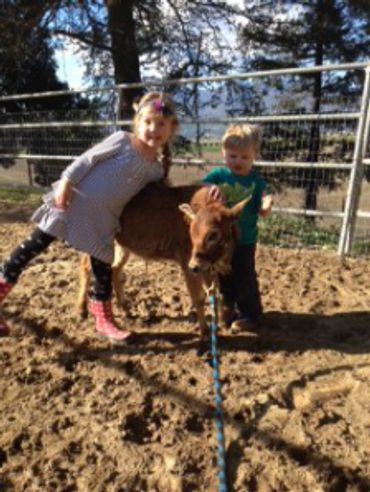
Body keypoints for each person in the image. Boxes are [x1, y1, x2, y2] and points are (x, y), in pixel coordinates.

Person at [0, 91, 179, 342]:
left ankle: (103, 320)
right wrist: (66, 182)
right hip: (72, 203)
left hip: (103, 221)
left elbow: (147, 202)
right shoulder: (122, 140)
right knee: (32, 246)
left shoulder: (156, 170)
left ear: (172, 129)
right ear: (137, 123)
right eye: (147, 122)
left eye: (161, 124)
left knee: (102, 271)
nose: (153, 129)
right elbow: (87, 159)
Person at [203, 124, 273, 331]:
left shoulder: (255, 180)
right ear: (224, 153)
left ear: (255, 156)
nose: (238, 162)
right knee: (224, 275)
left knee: (245, 276)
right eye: (233, 156)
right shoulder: (218, 175)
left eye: (245, 157)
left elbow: (264, 198)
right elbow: (202, 186)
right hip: (223, 242)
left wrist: (266, 205)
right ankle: (228, 308)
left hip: (245, 240)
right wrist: (211, 188)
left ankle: (251, 314)